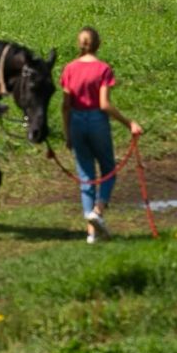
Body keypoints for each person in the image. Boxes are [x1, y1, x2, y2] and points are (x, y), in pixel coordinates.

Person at [61, 27, 143, 243]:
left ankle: (91, 234)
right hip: (97, 121)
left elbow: (65, 106)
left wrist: (67, 133)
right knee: (108, 170)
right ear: (98, 44)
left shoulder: (69, 69)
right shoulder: (103, 69)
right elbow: (104, 104)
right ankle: (98, 212)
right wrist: (129, 123)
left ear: (79, 44)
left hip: (76, 123)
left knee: (86, 176)